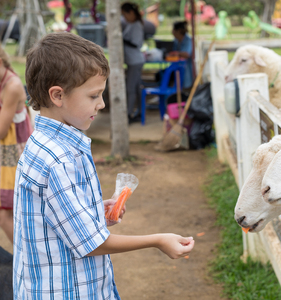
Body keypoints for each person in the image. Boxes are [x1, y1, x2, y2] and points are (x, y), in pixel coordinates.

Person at [14, 32, 195, 299]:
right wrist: (157, 240)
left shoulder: (43, 144)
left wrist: (95, 211)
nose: (101, 104)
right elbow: (90, 244)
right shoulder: (60, 160)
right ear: (57, 95)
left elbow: (55, 215)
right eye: (94, 95)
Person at [0, 46, 32, 244]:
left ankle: (25, 261)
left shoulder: (11, 86)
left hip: (14, 156)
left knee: (5, 215)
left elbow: (1, 131)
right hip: (6, 154)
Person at [121, 2, 145, 123]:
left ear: (131, 13)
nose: (124, 18)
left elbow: (137, 44)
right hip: (132, 61)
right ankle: (140, 112)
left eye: (125, 15)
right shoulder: (131, 24)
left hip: (135, 61)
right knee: (136, 89)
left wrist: (122, 40)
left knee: (130, 89)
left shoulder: (136, 25)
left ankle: (129, 114)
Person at [171, 21, 194, 89]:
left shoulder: (188, 40)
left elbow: (187, 54)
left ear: (178, 31)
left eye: (174, 30)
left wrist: (177, 53)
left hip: (187, 68)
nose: (172, 32)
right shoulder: (176, 40)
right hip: (178, 66)